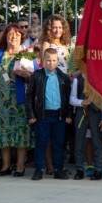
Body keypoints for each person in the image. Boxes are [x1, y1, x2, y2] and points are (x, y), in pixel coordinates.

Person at [0, 24, 36, 177]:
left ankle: (20, 166)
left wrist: (26, 75)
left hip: (20, 101)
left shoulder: (27, 53)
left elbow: (35, 77)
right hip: (1, 101)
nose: (13, 37)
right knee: (4, 133)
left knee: (20, 133)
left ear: (21, 37)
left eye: (16, 35)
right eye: (10, 35)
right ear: (5, 37)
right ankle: (5, 165)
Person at [26, 48, 73, 180]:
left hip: (59, 115)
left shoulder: (63, 77)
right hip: (43, 115)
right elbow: (29, 96)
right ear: (43, 61)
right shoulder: (37, 76)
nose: (51, 63)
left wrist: (69, 114)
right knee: (41, 142)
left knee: (58, 143)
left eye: (53, 60)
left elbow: (67, 97)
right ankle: (39, 169)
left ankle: (58, 169)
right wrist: (30, 114)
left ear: (58, 61)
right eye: (48, 60)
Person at [70, 73, 102, 180]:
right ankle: (79, 170)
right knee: (79, 140)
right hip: (82, 111)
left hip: (96, 112)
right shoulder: (78, 80)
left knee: (97, 140)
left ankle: (98, 170)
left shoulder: (99, 78)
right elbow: (72, 99)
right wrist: (83, 102)